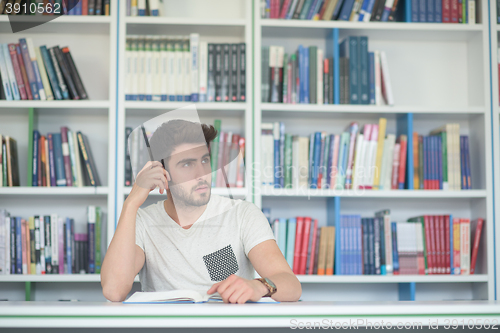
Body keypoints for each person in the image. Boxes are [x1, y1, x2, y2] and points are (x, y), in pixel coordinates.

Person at [101, 119, 302, 303]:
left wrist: (259, 286)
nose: (202, 174)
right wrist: (131, 203)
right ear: (162, 173)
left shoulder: (243, 214)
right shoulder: (143, 222)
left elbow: (291, 286)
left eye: (204, 161)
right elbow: (114, 290)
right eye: (187, 164)